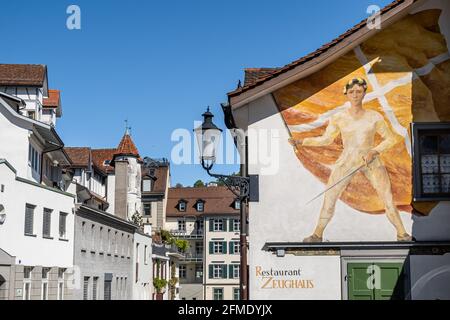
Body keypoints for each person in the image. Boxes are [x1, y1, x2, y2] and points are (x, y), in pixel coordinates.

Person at [289, 78, 412, 242]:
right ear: (346, 93)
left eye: (359, 91)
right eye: (352, 91)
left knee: (387, 198)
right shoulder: (339, 117)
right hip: (347, 161)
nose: (355, 95)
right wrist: (302, 142)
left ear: (364, 93)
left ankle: (402, 234)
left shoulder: (374, 117)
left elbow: (390, 138)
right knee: (330, 196)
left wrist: (374, 151)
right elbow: (326, 140)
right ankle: (317, 234)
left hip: (371, 161)